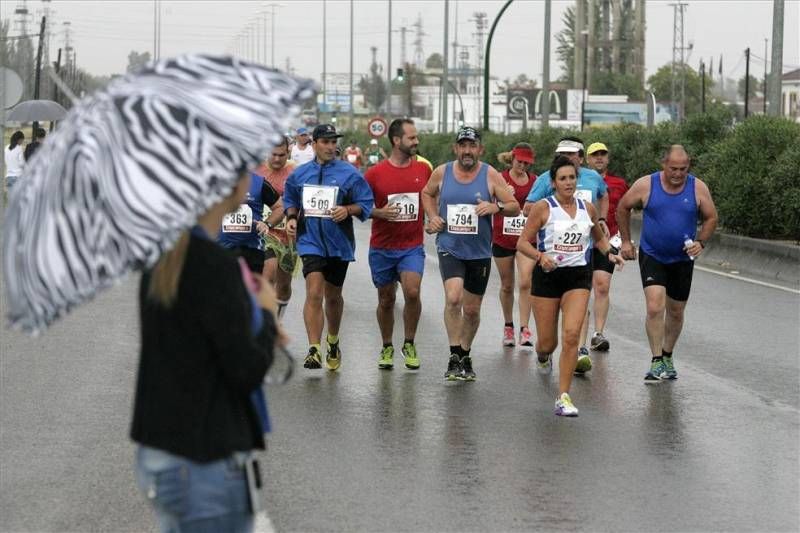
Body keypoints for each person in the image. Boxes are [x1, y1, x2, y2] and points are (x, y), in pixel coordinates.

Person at [132, 171, 283, 532]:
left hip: (162, 450)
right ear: (235, 187)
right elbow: (246, 368)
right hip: (205, 459)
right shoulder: (215, 267)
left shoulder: (164, 256)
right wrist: (265, 315)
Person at [517, 156, 623, 416]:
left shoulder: (588, 208)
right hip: (548, 278)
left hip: (577, 278)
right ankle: (543, 357)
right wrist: (541, 257)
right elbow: (522, 243)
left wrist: (611, 251)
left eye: (572, 178)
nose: (568, 183)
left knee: (572, 335)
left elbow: (598, 239)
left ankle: (563, 396)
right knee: (547, 343)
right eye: (562, 178)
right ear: (553, 182)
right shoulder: (543, 208)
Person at [421, 126, 520, 382]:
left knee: (472, 310)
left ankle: (465, 353)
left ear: (480, 149)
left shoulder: (491, 175)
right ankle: (454, 354)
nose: (467, 151)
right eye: (462, 146)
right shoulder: (442, 172)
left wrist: (494, 206)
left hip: (478, 252)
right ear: (456, 148)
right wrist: (433, 217)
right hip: (449, 246)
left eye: (472, 146)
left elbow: (514, 206)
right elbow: (427, 193)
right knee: (453, 298)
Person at [617, 145, 718, 383]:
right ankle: (655, 361)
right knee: (654, 307)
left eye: (683, 169)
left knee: (676, 311)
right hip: (653, 255)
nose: (678, 174)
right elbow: (623, 206)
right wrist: (625, 241)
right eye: (673, 168)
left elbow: (711, 217)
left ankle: (668, 355)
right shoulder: (646, 184)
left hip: (682, 258)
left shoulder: (697, 187)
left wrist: (701, 242)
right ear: (664, 164)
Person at [283, 124, 374, 371]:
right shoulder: (300, 174)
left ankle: (332, 340)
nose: (331, 147)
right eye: (326, 142)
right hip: (310, 240)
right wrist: (292, 218)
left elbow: (365, 203)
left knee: (333, 297)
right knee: (314, 292)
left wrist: (347, 209)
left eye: (334, 142)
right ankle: (314, 348)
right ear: (314, 144)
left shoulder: (349, 174)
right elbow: (290, 198)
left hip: (338, 244)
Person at [524, 137, 609, 373]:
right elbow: (527, 210)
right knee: (548, 342)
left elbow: (603, 196)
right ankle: (544, 352)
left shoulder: (592, 178)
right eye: (563, 154)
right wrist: (552, 212)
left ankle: (577, 352)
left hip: (581, 261)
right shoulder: (545, 180)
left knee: (572, 329)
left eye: (573, 154)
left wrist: (601, 221)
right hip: (551, 266)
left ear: (581, 157)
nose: (569, 158)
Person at [364, 118, 432, 370]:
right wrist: (379, 213)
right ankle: (386, 346)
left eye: (416, 137)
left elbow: (433, 197)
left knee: (412, 292)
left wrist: (433, 218)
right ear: (396, 140)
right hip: (382, 247)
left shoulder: (424, 170)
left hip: (411, 246)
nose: (416, 141)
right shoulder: (374, 174)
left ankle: (410, 342)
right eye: (412, 137)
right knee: (386, 300)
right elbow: (359, 207)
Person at [581, 142, 629, 352]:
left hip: (607, 241)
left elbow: (626, 209)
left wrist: (627, 239)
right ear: (587, 159)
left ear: (608, 158)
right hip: (580, 241)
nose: (599, 158)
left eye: (603, 154)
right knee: (582, 290)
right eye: (595, 155)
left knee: (602, 285)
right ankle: (578, 334)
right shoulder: (578, 179)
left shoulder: (618, 183)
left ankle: (598, 334)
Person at [492, 143, 538, 347]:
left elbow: (542, 203)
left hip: (526, 239)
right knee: (507, 285)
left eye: (527, 163)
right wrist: (501, 195)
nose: (523, 166)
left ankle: (525, 328)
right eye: (520, 161)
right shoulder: (499, 178)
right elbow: (486, 200)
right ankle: (508, 326)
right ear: (512, 158)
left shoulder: (535, 181)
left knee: (526, 282)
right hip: (503, 238)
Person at [257, 137, 298, 319]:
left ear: (287, 153)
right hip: (264, 231)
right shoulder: (257, 171)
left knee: (283, 286)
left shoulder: (294, 171)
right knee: (269, 270)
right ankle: (264, 321)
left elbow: (302, 198)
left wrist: (296, 218)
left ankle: (278, 319)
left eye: (281, 155)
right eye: (273, 154)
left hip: (288, 233)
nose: (277, 159)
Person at [218, 169, 284, 276]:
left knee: (250, 291)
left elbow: (280, 207)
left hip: (252, 249)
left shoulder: (259, 183)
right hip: (220, 247)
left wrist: (267, 224)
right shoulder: (215, 180)